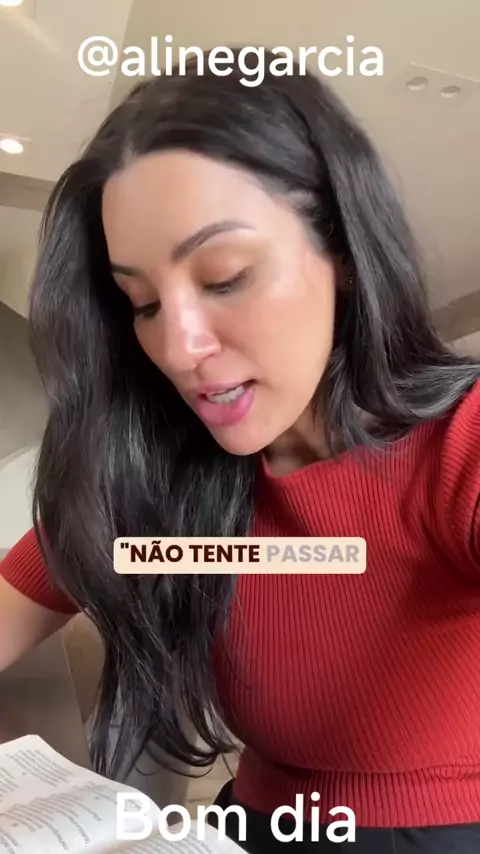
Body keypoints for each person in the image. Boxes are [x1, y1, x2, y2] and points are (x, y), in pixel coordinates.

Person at [1, 49, 480, 853]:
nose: (178, 347)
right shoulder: (155, 475)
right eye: (141, 303)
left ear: (345, 256)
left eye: (224, 277)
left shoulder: (459, 443)